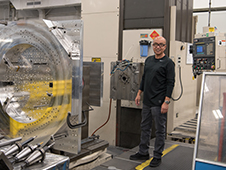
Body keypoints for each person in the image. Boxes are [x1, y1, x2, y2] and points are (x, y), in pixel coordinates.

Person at [129, 36, 175, 167]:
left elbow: (170, 83)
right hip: (147, 101)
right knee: (145, 127)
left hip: (159, 102)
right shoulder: (149, 60)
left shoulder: (168, 63)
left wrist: (166, 101)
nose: (158, 47)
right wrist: (139, 93)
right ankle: (143, 152)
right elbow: (144, 78)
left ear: (165, 47)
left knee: (160, 130)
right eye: (155, 44)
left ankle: (157, 155)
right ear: (152, 46)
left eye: (161, 45)